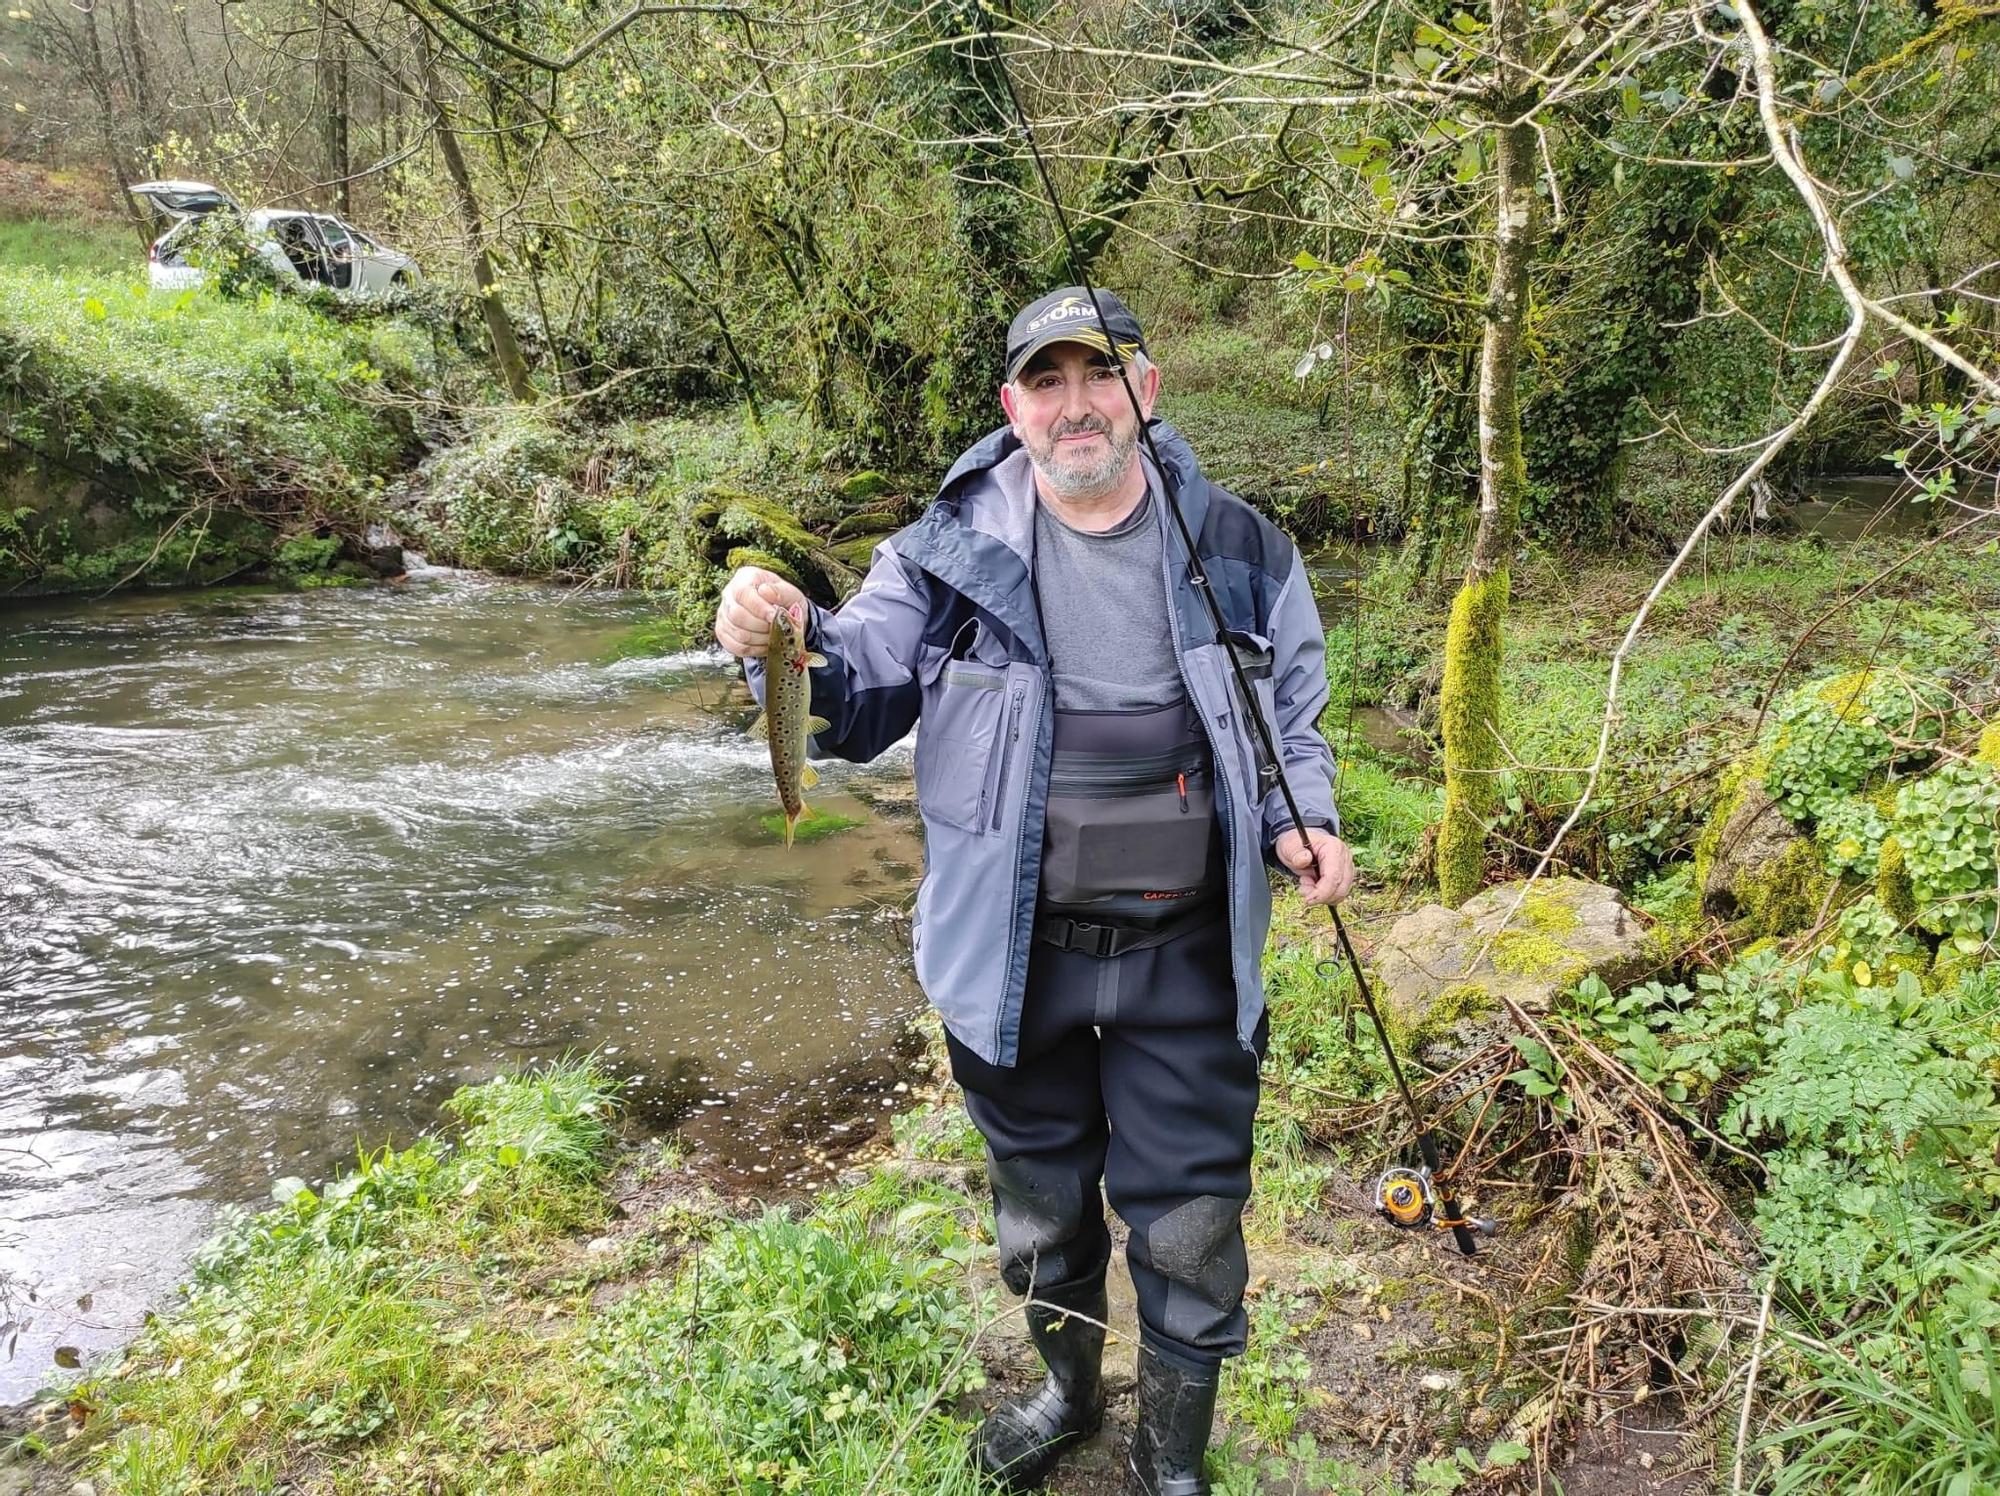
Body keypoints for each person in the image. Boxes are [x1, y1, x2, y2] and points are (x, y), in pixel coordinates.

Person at [714, 288, 1353, 1496]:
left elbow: (1292, 718)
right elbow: (849, 695)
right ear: (1012, 409)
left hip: (1188, 951)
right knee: (1043, 1206)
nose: (1075, 405)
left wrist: (1301, 819)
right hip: (1010, 956)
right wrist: (777, 626)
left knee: (1188, 1220)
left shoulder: (1241, 548)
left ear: (1144, 392)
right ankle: (1067, 1390)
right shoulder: (942, 555)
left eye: (1098, 375)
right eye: (1045, 383)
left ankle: (1171, 1457)